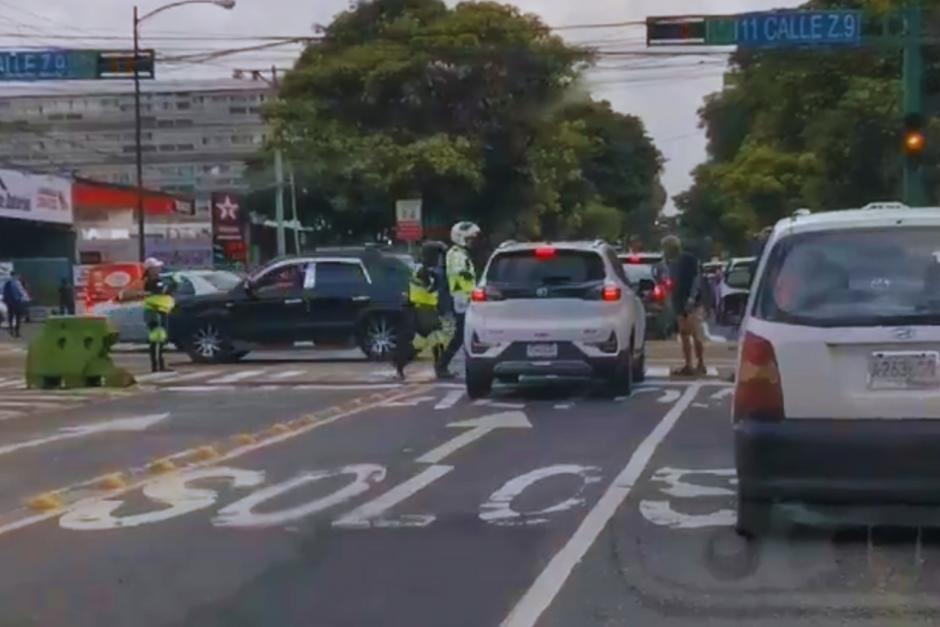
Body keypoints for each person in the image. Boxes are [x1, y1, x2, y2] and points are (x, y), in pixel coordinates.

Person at [435, 221, 481, 379]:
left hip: (467, 298)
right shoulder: (455, 254)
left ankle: (443, 365)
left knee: (464, 335)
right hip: (462, 299)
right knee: (461, 336)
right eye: (469, 239)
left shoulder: (461, 254)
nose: (472, 242)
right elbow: (459, 275)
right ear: (460, 238)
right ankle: (442, 366)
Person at [394, 242, 445, 380]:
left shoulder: (423, 269)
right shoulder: (424, 271)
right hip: (421, 310)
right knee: (423, 342)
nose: (440, 259)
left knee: (437, 339)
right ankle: (400, 366)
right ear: (432, 256)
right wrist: (440, 279)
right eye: (439, 256)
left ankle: (440, 369)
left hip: (425, 309)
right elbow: (430, 287)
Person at [121, 258, 177, 372]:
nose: (158, 269)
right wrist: (147, 293)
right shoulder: (145, 281)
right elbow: (126, 294)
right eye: (156, 267)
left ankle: (159, 364)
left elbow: (168, 290)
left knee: (161, 338)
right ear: (150, 269)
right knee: (156, 337)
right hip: (153, 311)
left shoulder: (160, 280)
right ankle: (156, 365)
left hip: (162, 310)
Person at [662, 235, 707, 376]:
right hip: (679, 301)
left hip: (692, 301)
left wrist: (692, 298)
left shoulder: (689, 259)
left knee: (695, 333)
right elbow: (670, 281)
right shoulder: (669, 262)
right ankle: (688, 364)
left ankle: (700, 363)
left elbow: (696, 279)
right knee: (684, 334)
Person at [2, 272, 28, 338]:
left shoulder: (7, 283)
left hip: (11, 302)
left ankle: (12, 330)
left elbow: (4, 292)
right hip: (16, 302)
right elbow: (21, 291)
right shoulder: (16, 283)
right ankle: (16, 331)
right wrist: (26, 298)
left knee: (11, 316)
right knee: (17, 317)